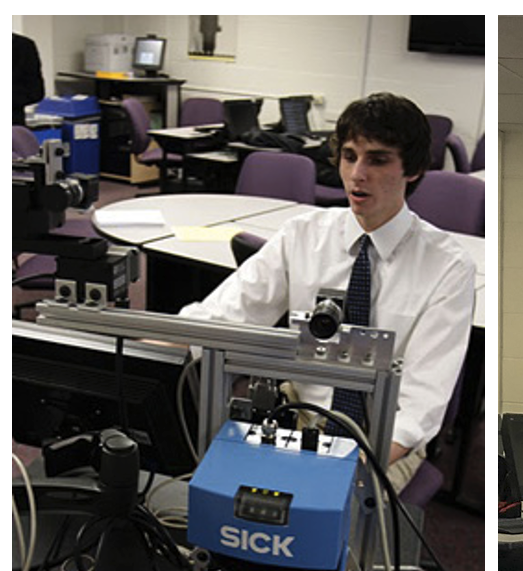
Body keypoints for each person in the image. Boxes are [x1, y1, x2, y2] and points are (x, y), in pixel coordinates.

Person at [179, 93, 472, 489]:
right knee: (220, 496)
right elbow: (225, 316)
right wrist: (144, 344)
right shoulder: (302, 235)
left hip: (381, 437)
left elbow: (420, 405)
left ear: (414, 169)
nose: (357, 174)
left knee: (324, 520)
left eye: (378, 159)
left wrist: (342, 472)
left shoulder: (448, 267)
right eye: (349, 156)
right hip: (300, 415)